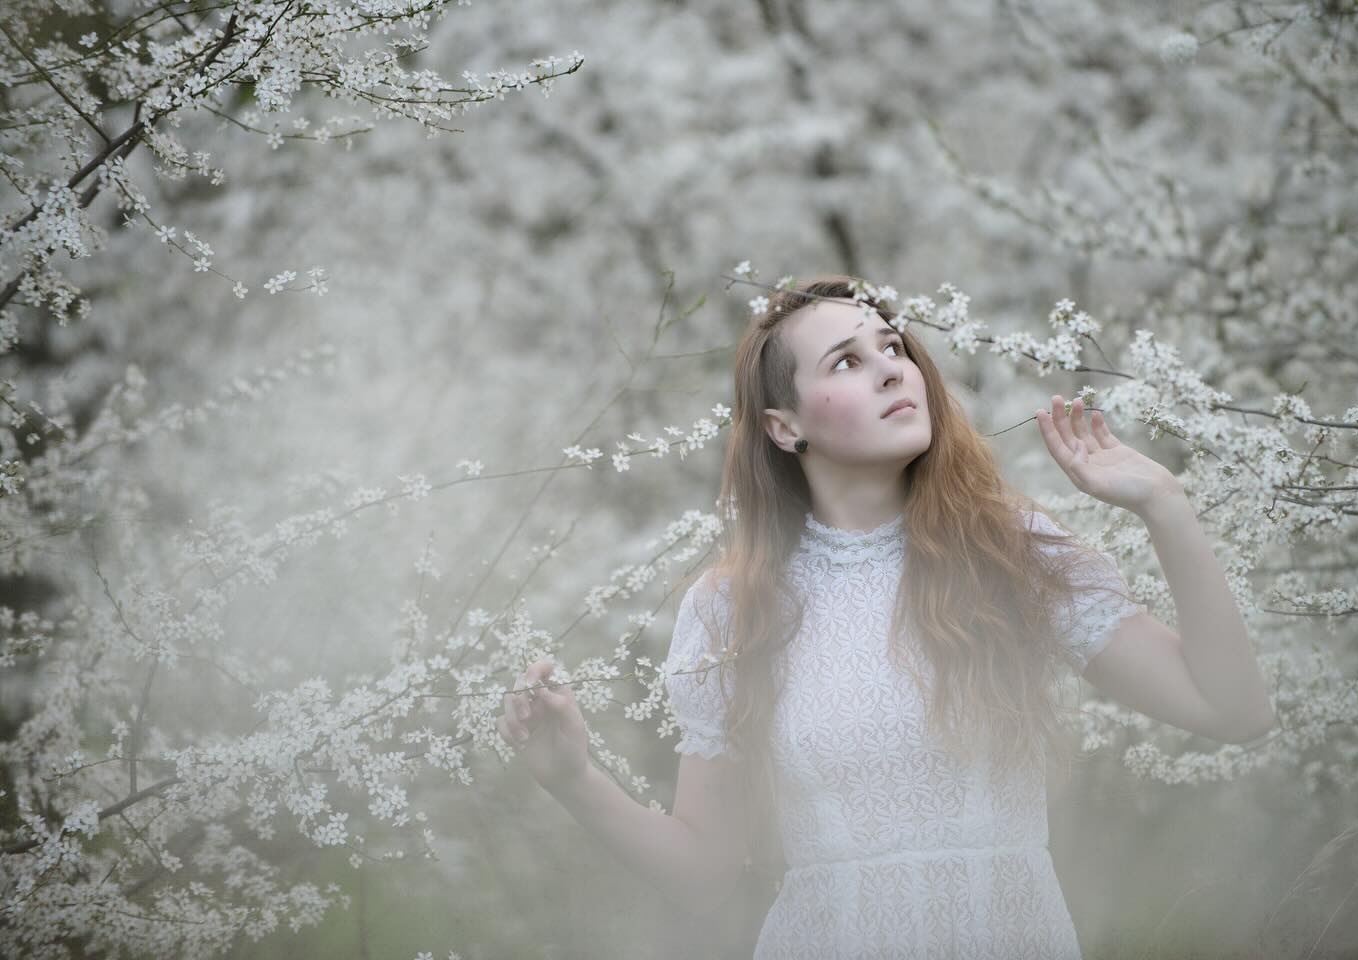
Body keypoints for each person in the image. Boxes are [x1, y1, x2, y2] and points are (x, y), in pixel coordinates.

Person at [497, 274, 1276, 958]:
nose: (891, 369)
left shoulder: (1009, 550)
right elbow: (703, 870)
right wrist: (574, 780)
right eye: (846, 361)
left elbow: (1232, 710)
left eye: (893, 347)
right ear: (784, 427)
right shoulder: (732, 609)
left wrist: (1165, 507)